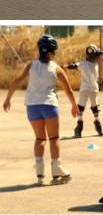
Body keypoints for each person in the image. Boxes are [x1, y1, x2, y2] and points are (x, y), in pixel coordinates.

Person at [3, 34, 79, 185]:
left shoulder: (31, 66)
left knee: (39, 139)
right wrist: (74, 105)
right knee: (54, 138)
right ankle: (57, 171)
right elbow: (68, 90)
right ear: (52, 52)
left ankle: (39, 173)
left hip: (32, 107)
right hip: (49, 106)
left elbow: (16, 81)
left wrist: (8, 99)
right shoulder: (56, 68)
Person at [66, 44, 103, 138]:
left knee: (81, 107)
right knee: (94, 106)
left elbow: (73, 66)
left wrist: (65, 66)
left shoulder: (83, 64)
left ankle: (79, 127)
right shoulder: (96, 65)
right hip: (94, 88)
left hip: (84, 89)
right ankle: (98, 125)